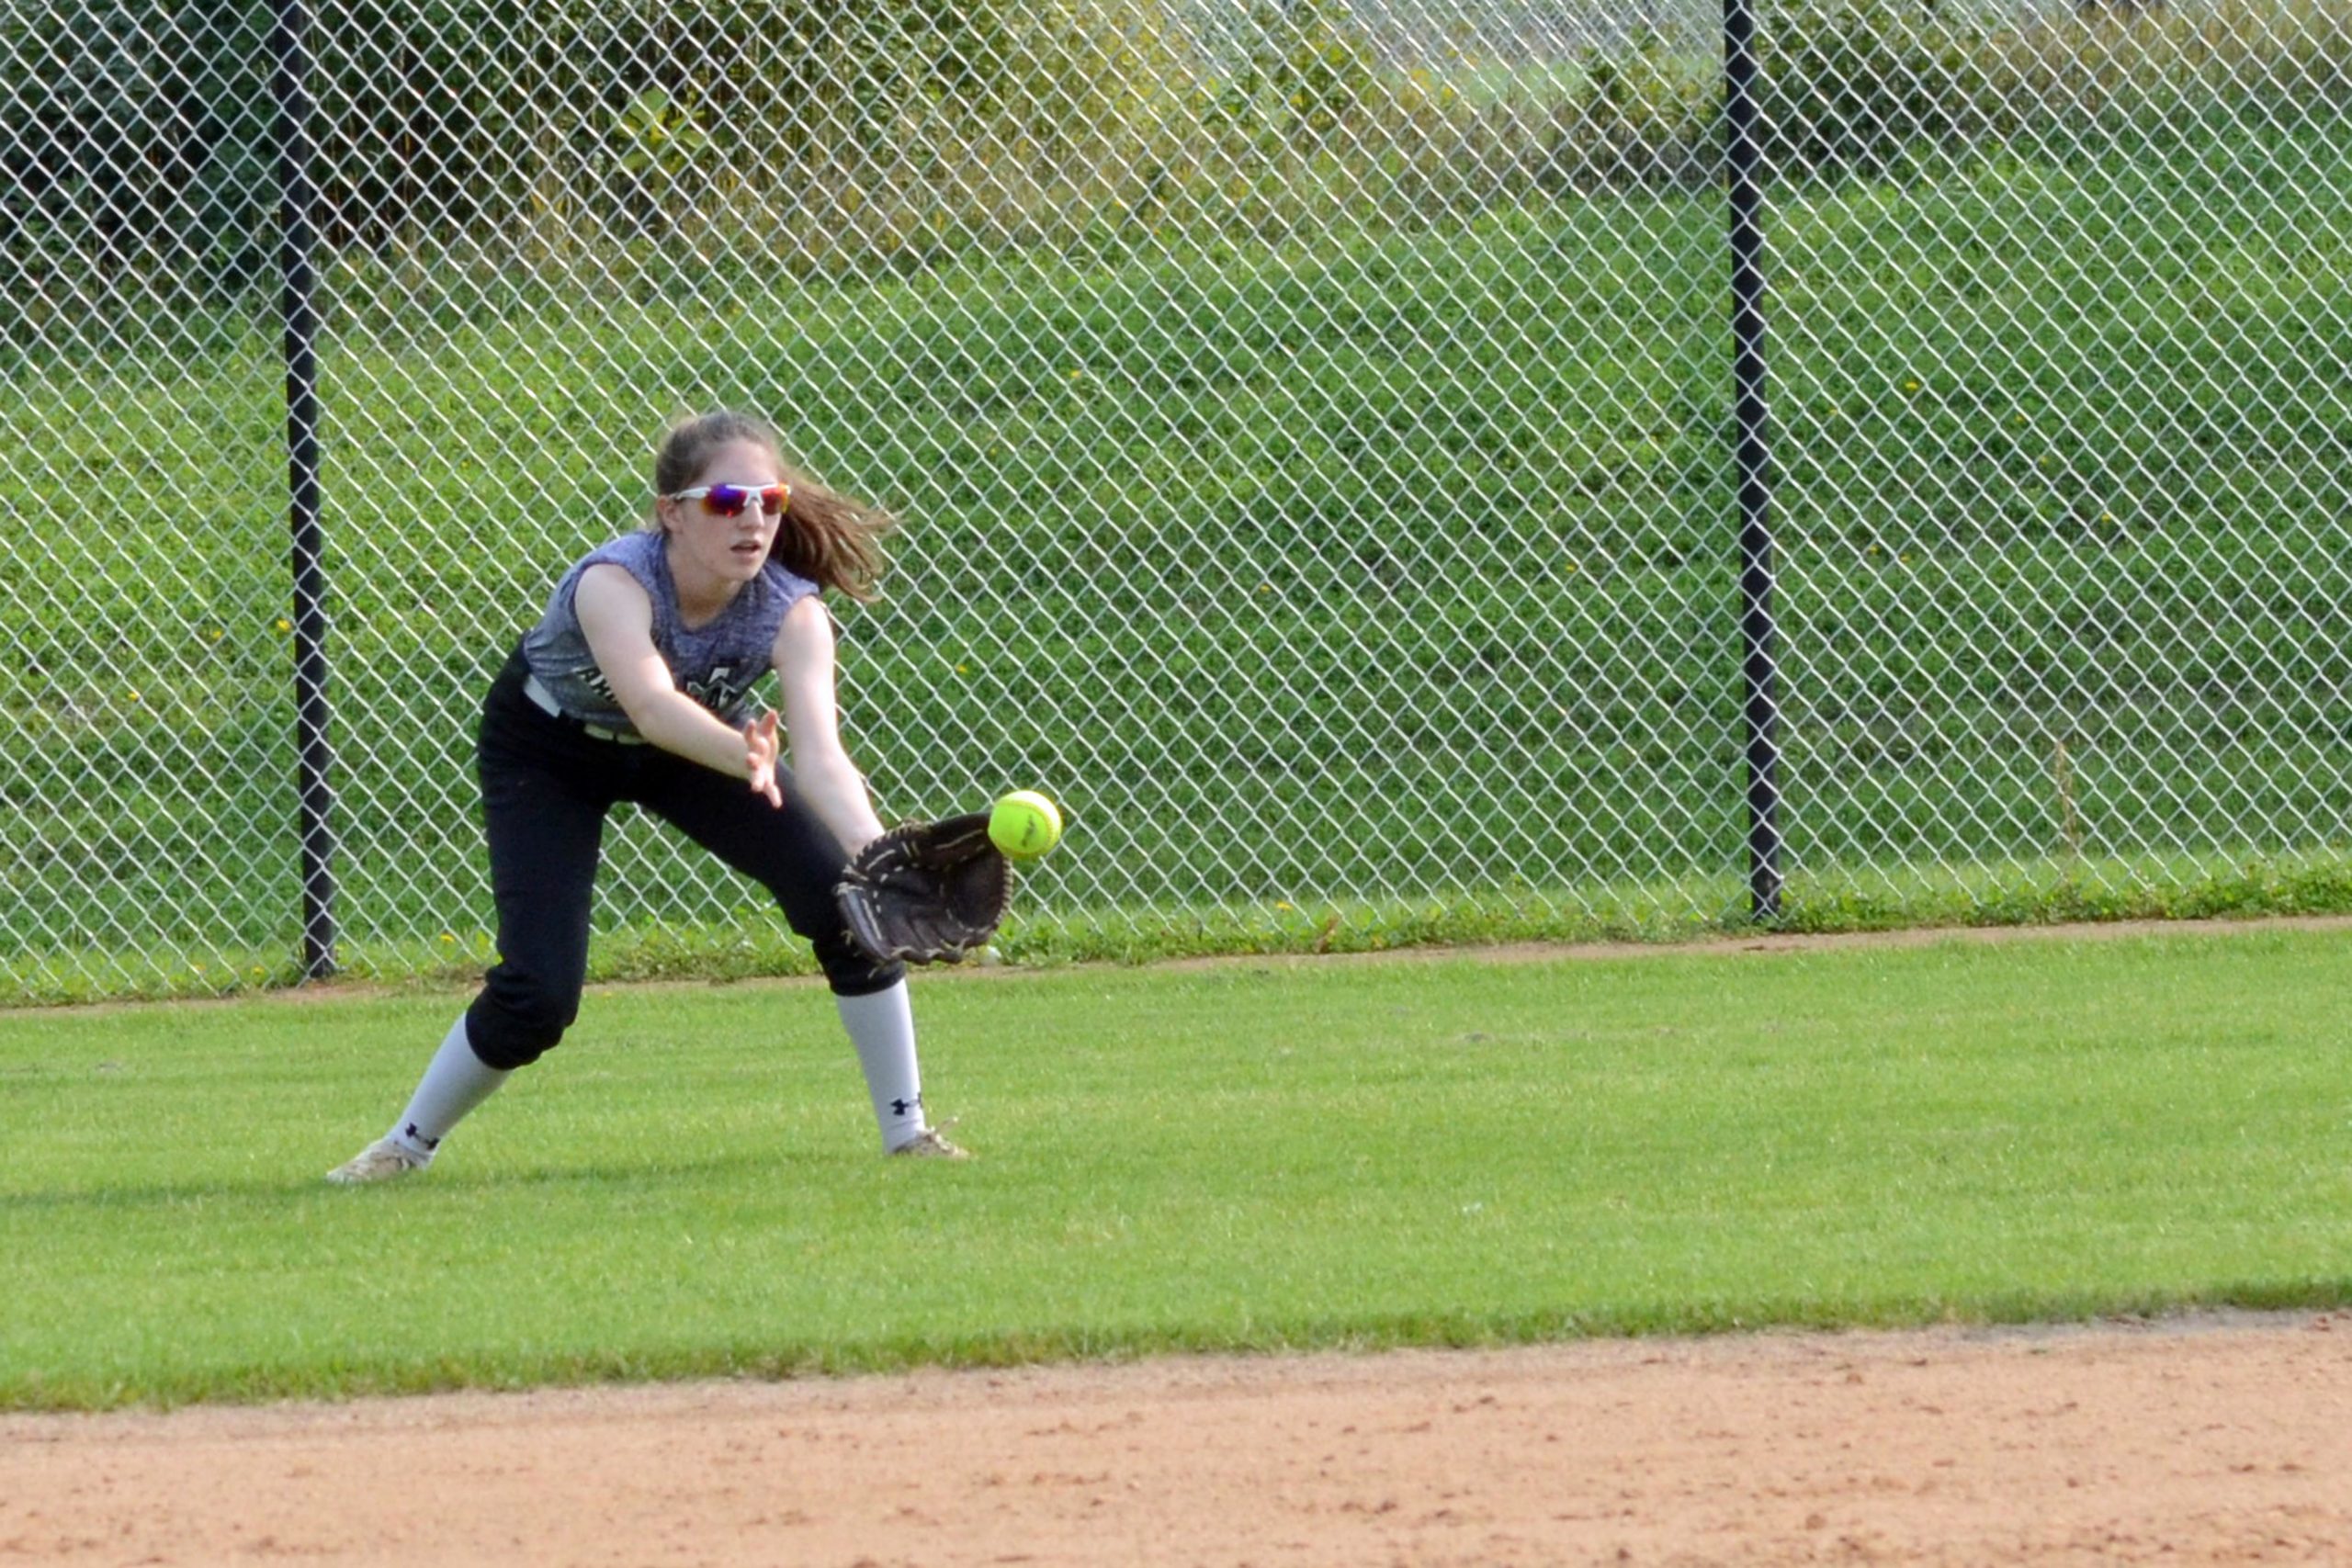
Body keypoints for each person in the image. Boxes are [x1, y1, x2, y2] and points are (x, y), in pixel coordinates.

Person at [326, 411, 967, 1183]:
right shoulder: (615, 581)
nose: (754, 517)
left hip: (704, 750)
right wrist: (743, 752)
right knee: (539, 993)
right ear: (672, 512)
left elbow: (825, 760)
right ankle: (405, 1144)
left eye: (771, 499)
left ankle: (910, 1133)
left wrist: (878, 857)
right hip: (551, 747)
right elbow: (652, 707)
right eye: (729, 500)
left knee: (846, 905)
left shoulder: (792, 611)